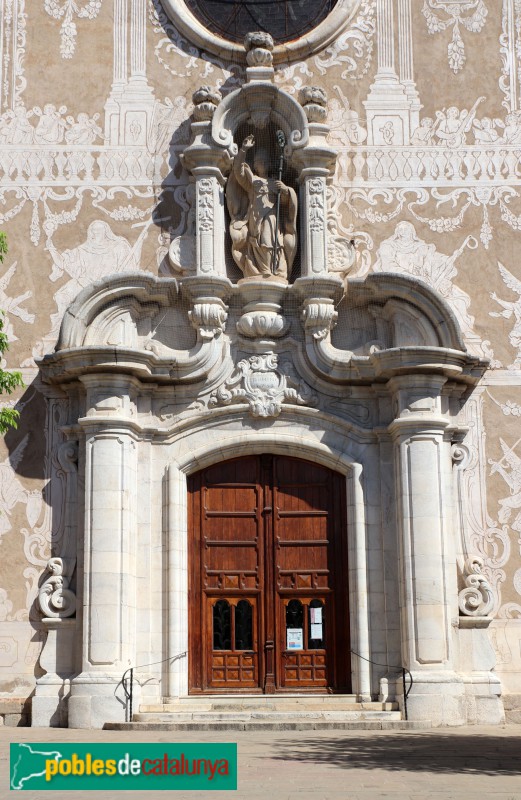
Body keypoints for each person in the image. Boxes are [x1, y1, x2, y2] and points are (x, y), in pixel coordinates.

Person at [226, 134, 297, 280]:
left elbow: (285, 203)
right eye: (259, 162)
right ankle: (261, 270)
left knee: (272, 241)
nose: (262, 164)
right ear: (255, 165)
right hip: (256, 217)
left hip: (272, 217)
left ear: (270, 164)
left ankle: (273, 269)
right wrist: (243, 150)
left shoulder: (275, 182)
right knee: (261, 242)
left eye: (265, 162)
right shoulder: (252, 182)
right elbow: (238, 171)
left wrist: (285, 190)